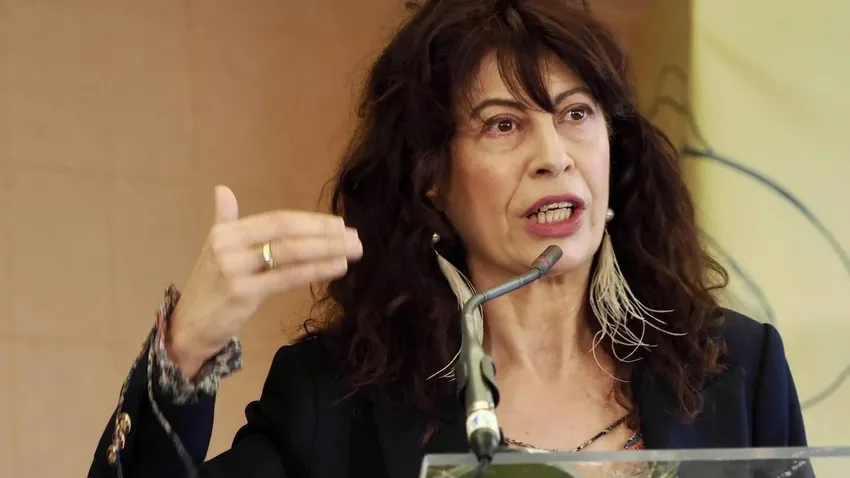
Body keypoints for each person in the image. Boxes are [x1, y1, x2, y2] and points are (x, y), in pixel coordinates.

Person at [87, 0, 808, 477]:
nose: (554, 155)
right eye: (503, 124)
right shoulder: (336, 401)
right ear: (432, 178)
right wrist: (185, 347)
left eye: (576, 114)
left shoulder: (736, 371)